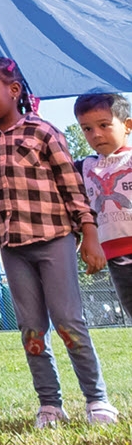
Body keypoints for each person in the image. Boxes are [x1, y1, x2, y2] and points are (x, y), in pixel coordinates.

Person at [0, 56, 118, 428]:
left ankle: (97, 399)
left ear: (14, 90)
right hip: (12, 247)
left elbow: (72, 188)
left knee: (68, 321)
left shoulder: (43, 133)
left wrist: (90, 235)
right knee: (31, 327)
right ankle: (49, 404)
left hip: (54, 240)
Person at [74, 93, 132, 320]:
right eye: (87, 129)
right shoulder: (85, 167)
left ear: (127, 126)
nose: (96, 134)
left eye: (104, 125)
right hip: (115, 257)